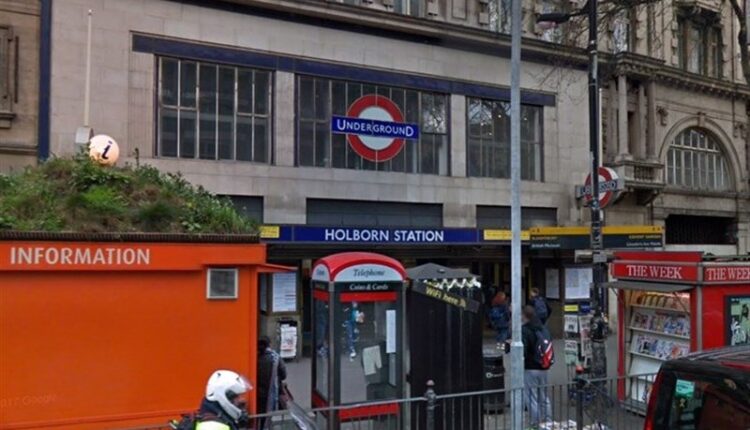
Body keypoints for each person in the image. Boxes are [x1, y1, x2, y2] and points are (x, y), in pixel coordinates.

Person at [521, 305, 553, 427]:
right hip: (544, 366)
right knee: (544, 396)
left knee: (531, 397)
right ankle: (548, 422)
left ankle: (536, 424)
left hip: (530, 367)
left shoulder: (525, 330)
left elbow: (524, 350)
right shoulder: (543, 329)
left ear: (524, 316)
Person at [257, 336, 288, 429]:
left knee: (257, 415)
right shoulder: (275, 358)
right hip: (271, 393)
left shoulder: (255, 357)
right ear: (269, 345)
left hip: (257, 393)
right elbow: (283, 375)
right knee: (267, 416)